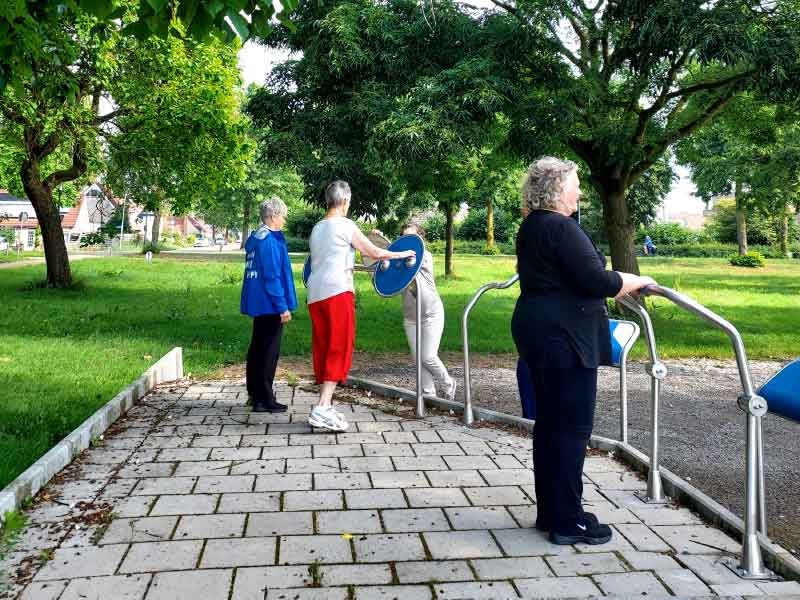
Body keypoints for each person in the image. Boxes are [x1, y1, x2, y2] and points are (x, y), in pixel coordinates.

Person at [511, 157, 656, 546]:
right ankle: (568, 521)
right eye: (575, 184)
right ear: (558, 190)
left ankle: (553, 512)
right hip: (564, 338)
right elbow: (597, 280)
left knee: (550, 426)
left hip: (539, 331)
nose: (581, 191)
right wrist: (636, 279)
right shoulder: (561, 227)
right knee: (571, 429)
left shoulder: (533, 226)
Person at [306, 181, 416, 432]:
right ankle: (322, 407)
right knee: (339, 345)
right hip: (337, 292)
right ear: (345, 201)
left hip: (315, 293)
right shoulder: (344, 224)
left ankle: (326, 404)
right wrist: (403, 254)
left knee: (323, 346)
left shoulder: (317, 228)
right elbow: (374, 252)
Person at [373, 223, 457, 402]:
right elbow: (381, 267)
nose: (407, 242)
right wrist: (378, 242)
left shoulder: (425, 256)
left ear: (421, 239)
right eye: (404, 237)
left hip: (431, 314)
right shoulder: (398, 259)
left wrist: (387, 249)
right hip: (411, 317)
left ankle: (448, 382)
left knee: (427, 356)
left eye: (412, 238)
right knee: (418, 359)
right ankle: (428, 394)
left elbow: (405, 262)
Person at [240, 197, 298, 413]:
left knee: (257, 348)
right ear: (274, 216)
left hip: (258, 303)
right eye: (282, 216)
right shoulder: (270, 241)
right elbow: (273, 276)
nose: (283, 220)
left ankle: (255, 394)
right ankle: (265, 397)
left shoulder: (257, 238)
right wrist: (282, 306)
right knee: (268, 351)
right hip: (270, 303)